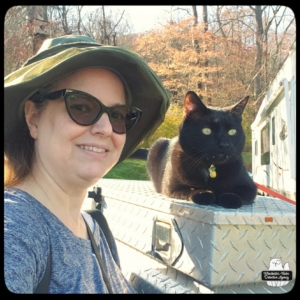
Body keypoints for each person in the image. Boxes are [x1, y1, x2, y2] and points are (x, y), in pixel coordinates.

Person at [4, 35, 170, 294]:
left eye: (118, 115)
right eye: (81, 107)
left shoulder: (95, 228)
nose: (105, 129)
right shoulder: (15, 227)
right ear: (33, 117)